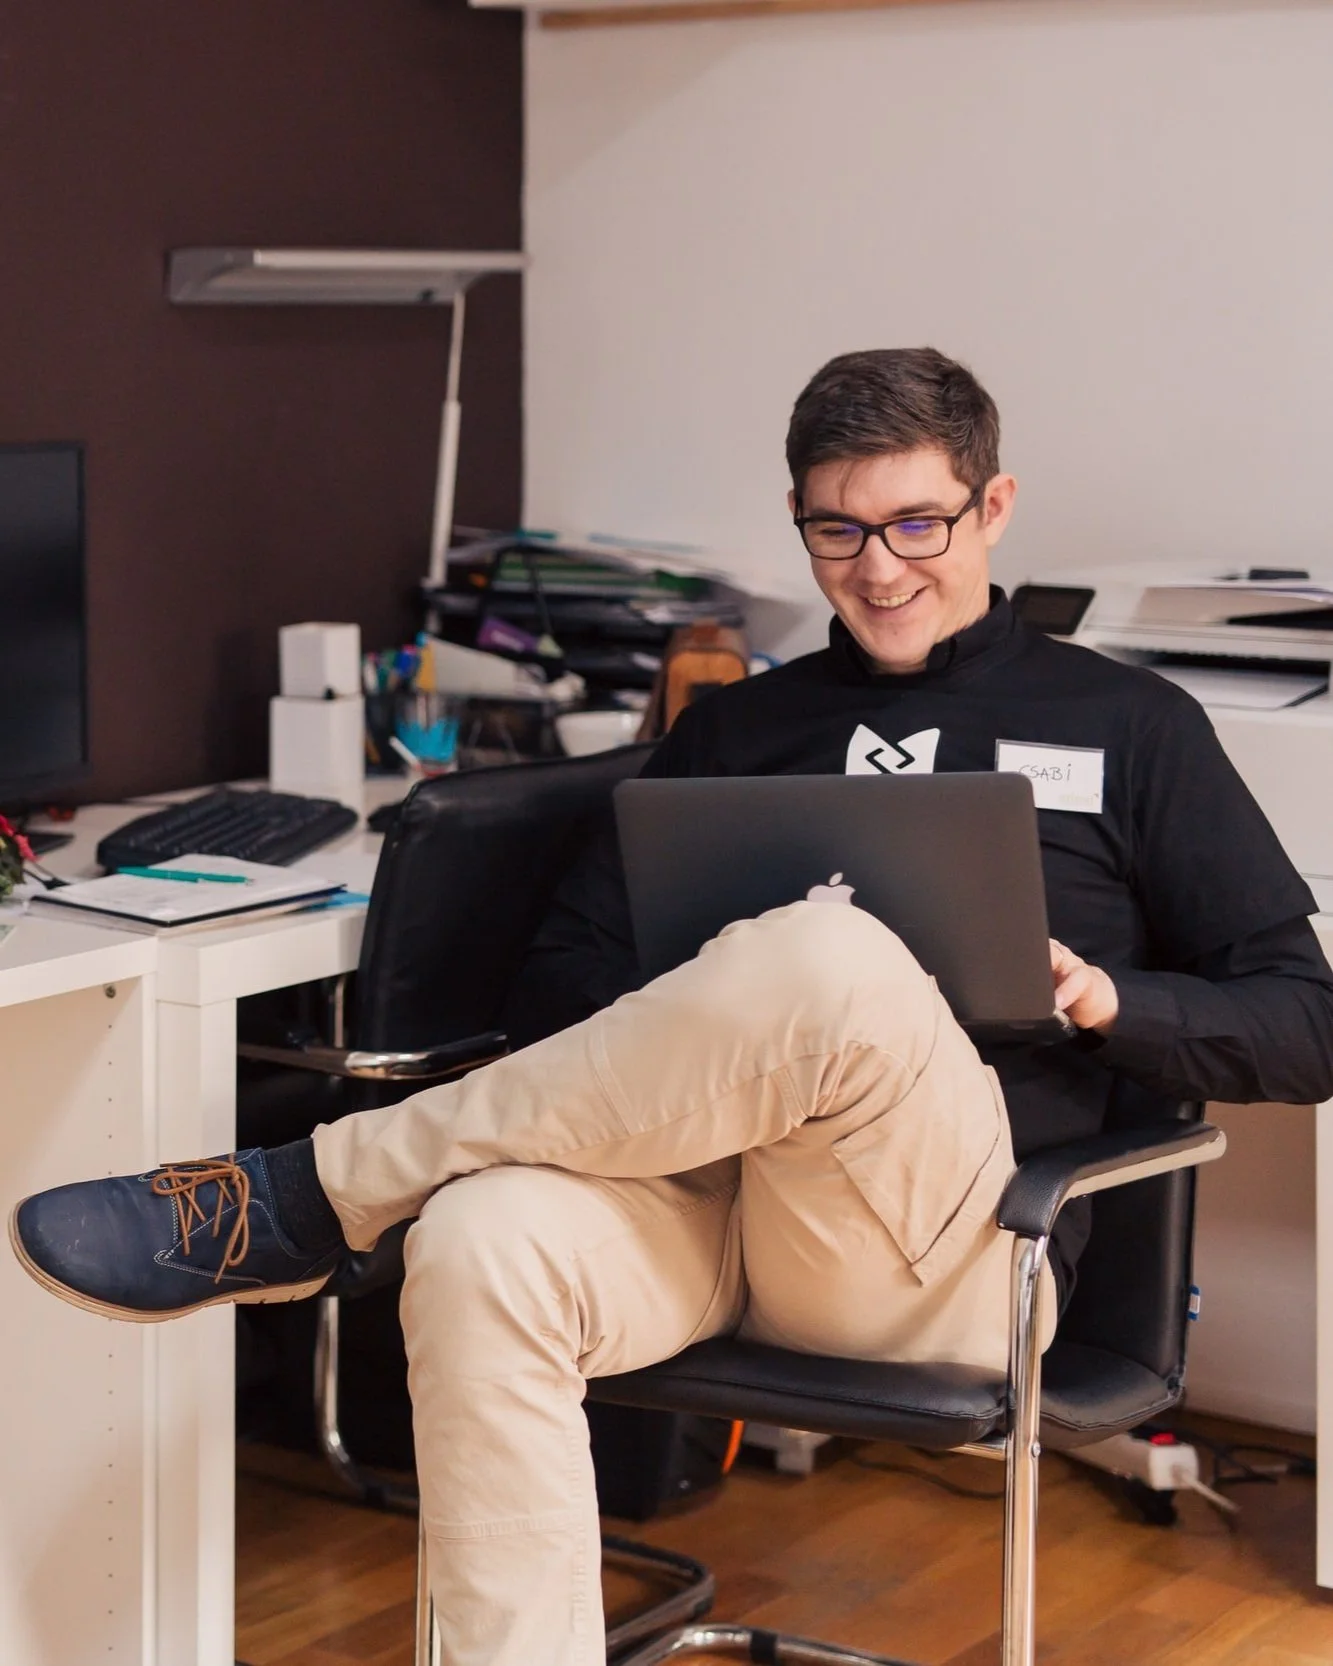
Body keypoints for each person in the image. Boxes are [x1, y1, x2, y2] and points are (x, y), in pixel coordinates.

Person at [12, 348, 1333, 1666]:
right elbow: (562, 991)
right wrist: (711, 999)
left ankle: (315, 1192)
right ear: (802, 521)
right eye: (838, 528)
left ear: (992, 508)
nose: (878, 567)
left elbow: (1305, 1022)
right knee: (482, 1236)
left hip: (951, 1249)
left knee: (833, 958)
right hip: (698, 1202)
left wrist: (1109, 1000)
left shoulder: (1134, 726)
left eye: (917, 522)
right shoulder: (735, 729)